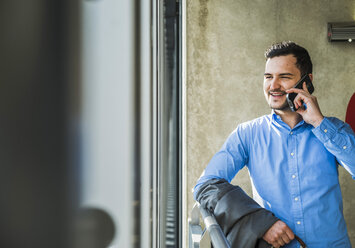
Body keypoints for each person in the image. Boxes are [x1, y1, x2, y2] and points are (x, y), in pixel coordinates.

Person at [194, 41, 355, 248]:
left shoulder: (333, 130)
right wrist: (260, 223)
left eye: (284, 77)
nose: (273, 86)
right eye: (268, 77)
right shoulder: (247, 134)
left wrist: (318, 122)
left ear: (307, 81)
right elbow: (205, 184)